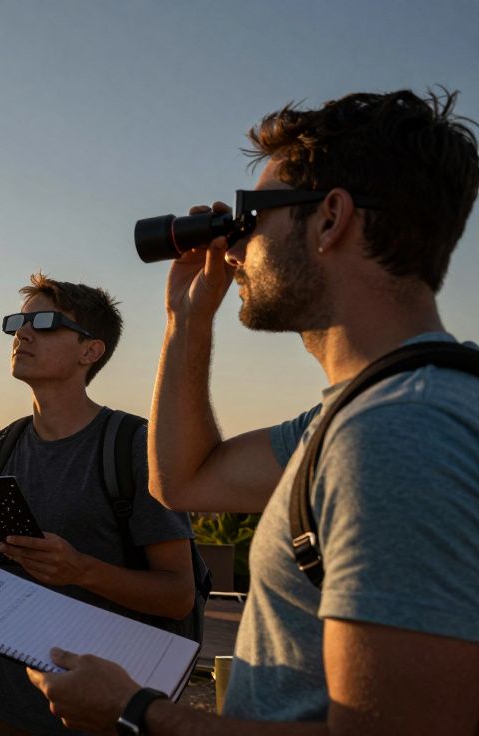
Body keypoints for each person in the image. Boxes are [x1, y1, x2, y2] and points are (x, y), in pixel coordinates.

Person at [29, 90, 479, 735]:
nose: (234, 249)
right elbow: (184, 481)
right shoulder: (369, 414)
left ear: (330, 219)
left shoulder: (398, 433)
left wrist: (135, 712)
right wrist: (187, 319)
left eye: (251, 217)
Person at [0, 273, 196, 735]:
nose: (22, 334)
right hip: (6, 701)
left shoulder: (133, 446)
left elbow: (178, 596)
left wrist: (80, 570)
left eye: (44, 323)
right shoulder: (0, 449)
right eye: (17, 323)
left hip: (100, 710)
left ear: (91, 351)